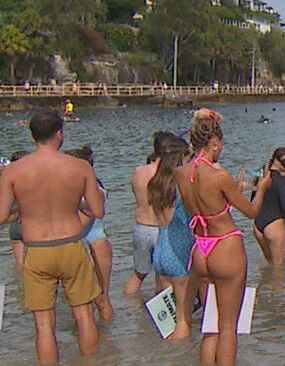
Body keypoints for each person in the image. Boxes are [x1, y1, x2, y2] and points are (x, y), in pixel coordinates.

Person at [0, 110, 106, 366]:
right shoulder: (80, 166)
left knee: (44, 325)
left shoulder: (14, 171)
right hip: (71, 245)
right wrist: (76, 204)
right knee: (84, 315)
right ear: (60, 133)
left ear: (33, 136)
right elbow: (97, 210)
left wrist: (25, 209)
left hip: (36, 249)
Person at [173, 108, 267, 366]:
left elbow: (208, 202)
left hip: (200, 248)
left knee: (209, 324)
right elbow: (251, 212)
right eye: (220, 145)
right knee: (228, 326)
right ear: (214, 143)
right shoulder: (219, 175)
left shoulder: (182, 173)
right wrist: (262, 189)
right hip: (224, 244)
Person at [146, 133, 196, 339]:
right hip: (179, 251)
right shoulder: (181, 186)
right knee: (183, 323)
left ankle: (166, 364)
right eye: (187, 156)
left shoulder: (155, 184)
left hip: (161, 251)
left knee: (167, 324)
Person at [66, 146, 116, 323]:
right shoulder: (74, 188)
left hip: (93, 245)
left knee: (100, 300)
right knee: (82, 303)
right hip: (88, 244)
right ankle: (100, 339)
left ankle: (107, 339)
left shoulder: (95, 189)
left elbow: (79, 226)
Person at [123, 134, 173, 297]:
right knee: (164, 276)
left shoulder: (138, 171)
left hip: (141, 228)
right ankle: (163, 315)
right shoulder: (168, 174)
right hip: (159, 229)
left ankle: (130, 310)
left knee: (138, 273)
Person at [253, 147, 285, 268]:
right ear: (276, 161)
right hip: (274, 224)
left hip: (257, 225)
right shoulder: (281, 180)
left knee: (267, 260)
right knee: (278, 266)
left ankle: (265, 286)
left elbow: (253, 202)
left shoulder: (263, 178)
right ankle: (277, 287)